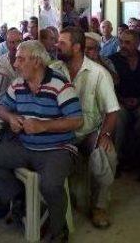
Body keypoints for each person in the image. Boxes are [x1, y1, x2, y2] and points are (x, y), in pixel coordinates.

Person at [0, 40, 83, 242]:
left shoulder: (60, 85)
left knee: (51, 185)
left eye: (20, 59)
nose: (15, 64)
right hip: (25, 146)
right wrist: (10, 118)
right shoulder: (18, 84)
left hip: (57, 148)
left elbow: (76, 120)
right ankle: (19, 199)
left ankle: (58, 229)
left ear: (36, 61)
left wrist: (44, 126)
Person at [51, 27, 120, 229]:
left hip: (89, 131)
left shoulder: (99, 73)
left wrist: (105, 134)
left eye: (62, 43)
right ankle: (65, 198)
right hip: (59, 131)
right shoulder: (54, 69)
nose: (57, 46)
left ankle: (99, 206)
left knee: (105, 154)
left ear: (76, 47)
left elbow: (113, 110)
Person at [109, 30, 140, 171]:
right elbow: (109, 87)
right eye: (121, 42)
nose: (123, 45)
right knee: (120, 119)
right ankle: (115, 161)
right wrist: (121, 100)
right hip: (119, 102)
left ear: (137, 43)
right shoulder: (112, 60)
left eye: (127, 42)